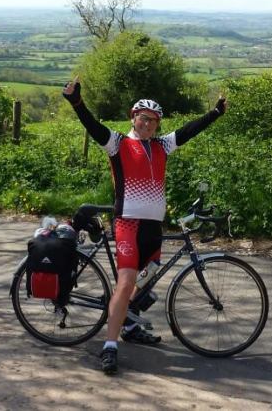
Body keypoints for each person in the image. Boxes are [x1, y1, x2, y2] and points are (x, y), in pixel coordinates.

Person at [62, 75, 227, 375]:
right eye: (142, 118)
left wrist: (215, 113)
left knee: (146, 286)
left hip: (154, 230)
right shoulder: (118, 144)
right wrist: (76, 102)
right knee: (126, 285)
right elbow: (93, 126)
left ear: (157, 124)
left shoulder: (163, 146)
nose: (147, 123)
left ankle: (128, 323)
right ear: (133, 118)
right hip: (128, 225)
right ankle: (110, 347)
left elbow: (189, 131)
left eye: (153, 120)